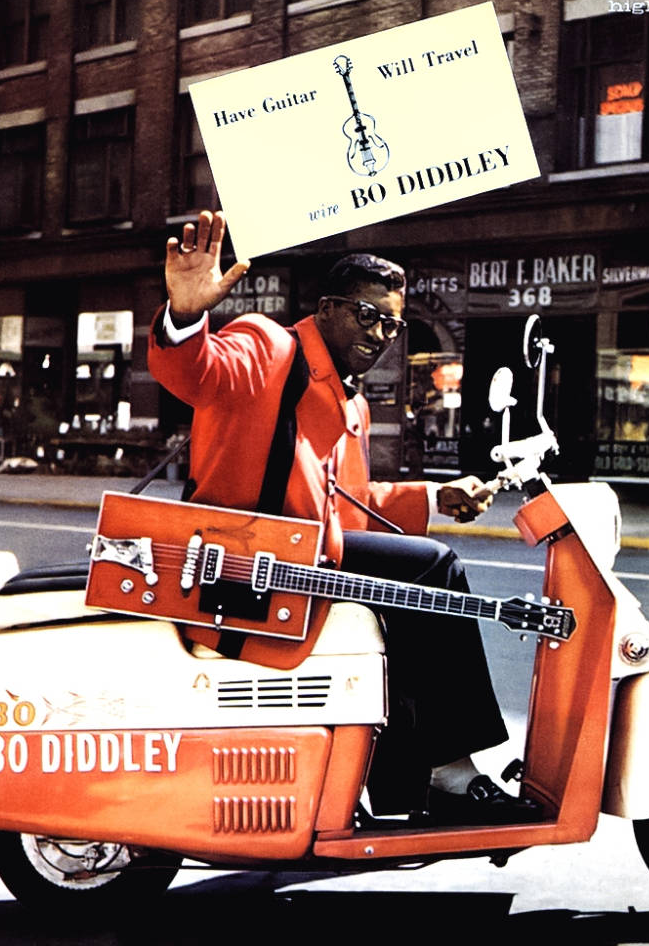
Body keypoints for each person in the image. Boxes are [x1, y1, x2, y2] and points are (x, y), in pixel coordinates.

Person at [148, 210, 538, 825]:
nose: (382, 333)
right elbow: (194, 372)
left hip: (305, 562)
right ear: (327, 308)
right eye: (367, 315)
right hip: (244, 568)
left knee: (413, 595)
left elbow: (347, 510)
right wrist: (186, 315)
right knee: (434, 568)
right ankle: (450, 773)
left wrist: (436, 499)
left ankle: (401, 774)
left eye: (393, 323)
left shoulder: (348, 398)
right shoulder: (265, 347)